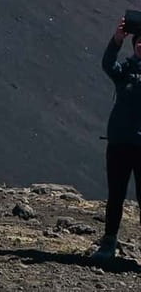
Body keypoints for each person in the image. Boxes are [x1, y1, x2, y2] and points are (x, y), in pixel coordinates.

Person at [92, 17, 141, 260]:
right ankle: (108, 243)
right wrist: (116, 41)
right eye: (139, 42)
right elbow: (108, 64)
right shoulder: (126, 70)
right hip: (120, 142)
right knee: (116, 195)